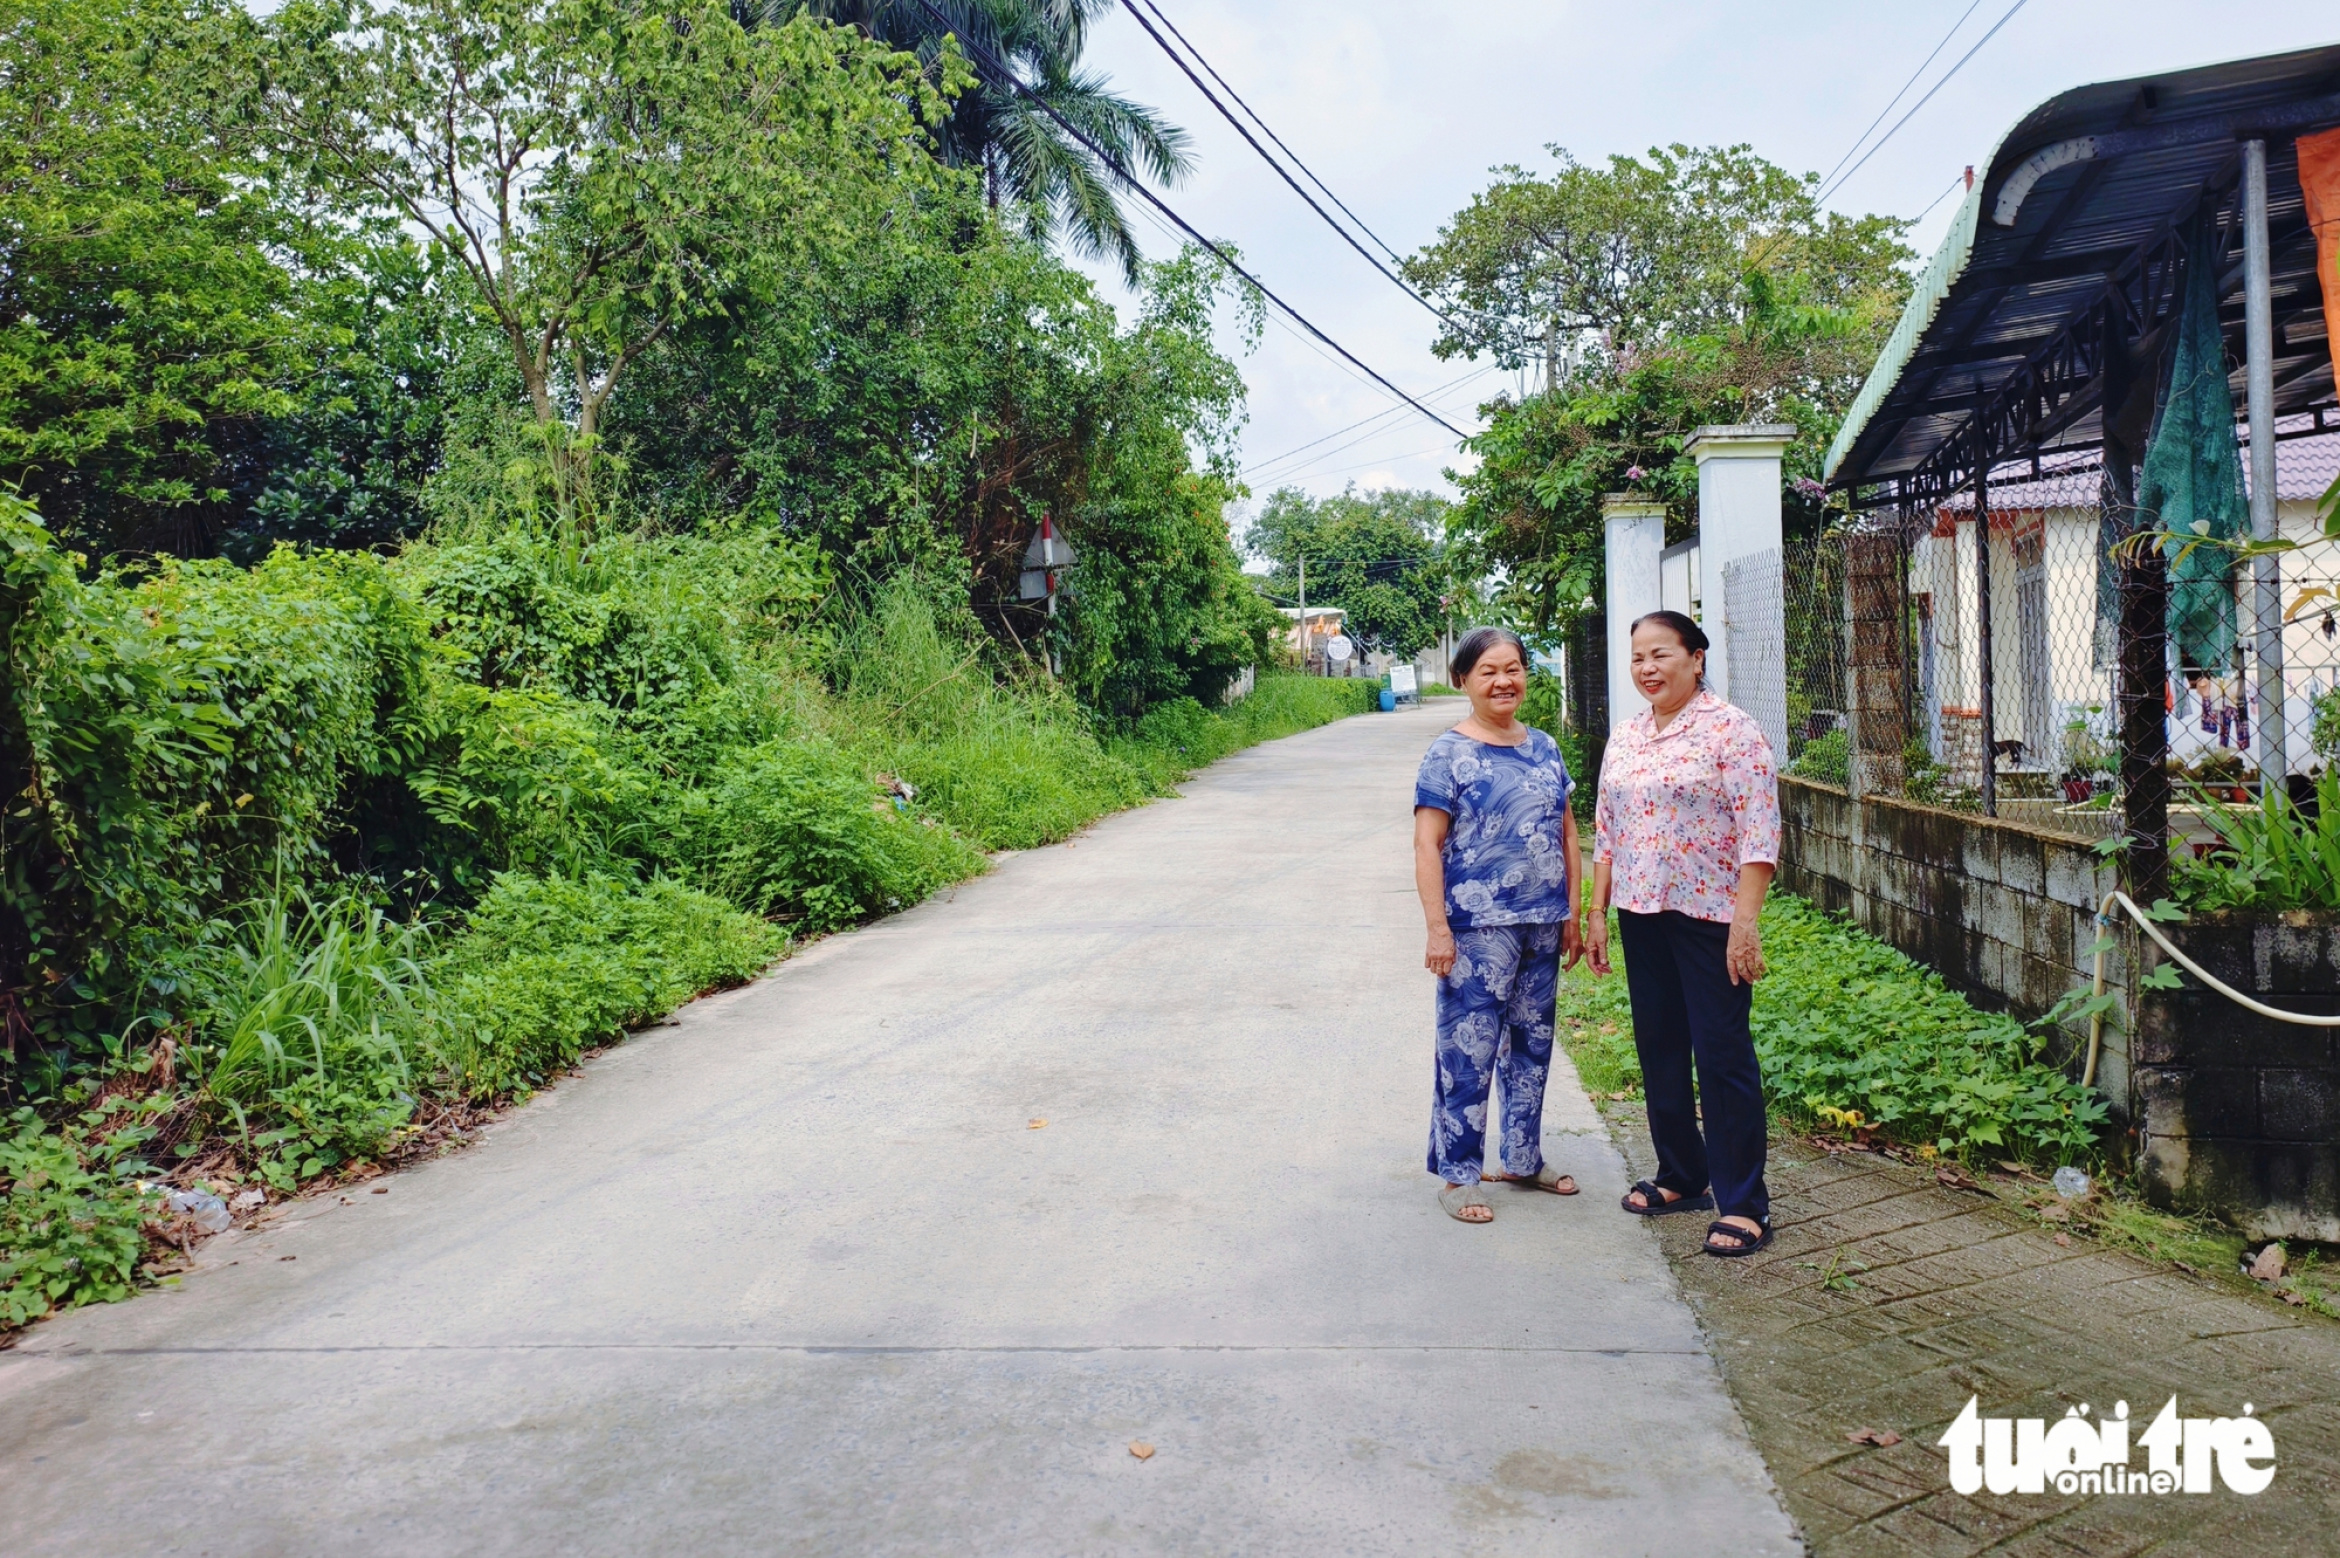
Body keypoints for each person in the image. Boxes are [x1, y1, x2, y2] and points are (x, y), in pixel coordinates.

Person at [1584, 610, 1780, 1256]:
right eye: (1638, 657)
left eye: (1660, 654)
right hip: (1640, 913)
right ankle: (1682, 1174)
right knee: (1660, 1046)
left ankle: (1745, 1202)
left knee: (1721, 1053)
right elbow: (1607, 828)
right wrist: (1596, 911)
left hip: (1709, 918)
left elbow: (1760, 831)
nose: (1647, 668)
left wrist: (1744, 925)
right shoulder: (1627, 736)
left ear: (1696, 658)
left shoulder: (1731, 730)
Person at [1413, 627, 1584, 1224]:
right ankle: (1459, 1173)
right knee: (1470, 1047)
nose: (1503, 681)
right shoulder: (1448, 752)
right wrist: (1438, 928)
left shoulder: (1543, 746)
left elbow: (1567, 834)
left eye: (1513, 669)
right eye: (1488, 671)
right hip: (1477, 928)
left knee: (1532, 1045)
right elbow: (1428, 845)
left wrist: (1571, 912)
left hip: (1542, 921)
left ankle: (1520, 1156)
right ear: (1463, 680)